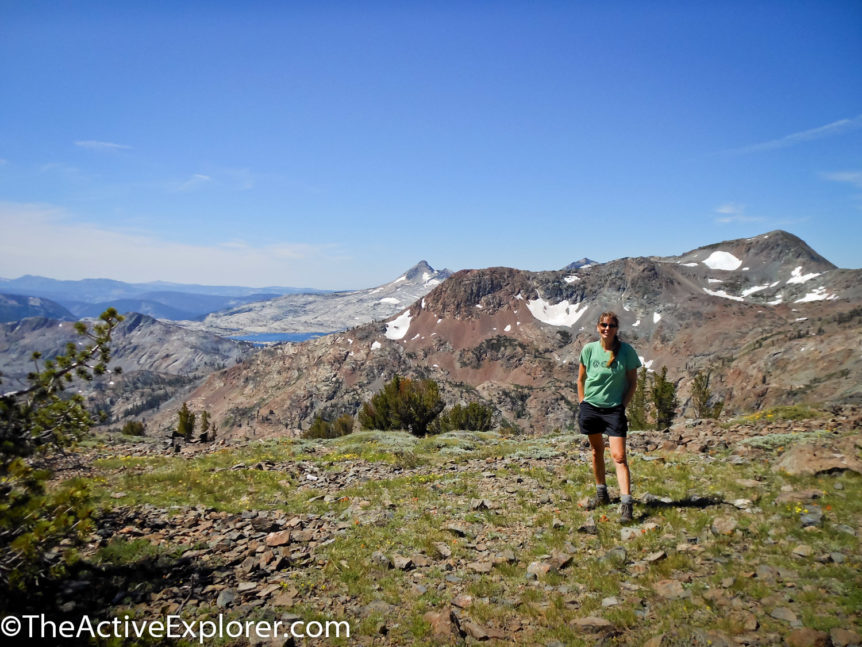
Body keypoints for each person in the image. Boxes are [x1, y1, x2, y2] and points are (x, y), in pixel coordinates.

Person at [577, 311, 642, 522]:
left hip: (614, 410)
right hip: (591, 408)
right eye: (603, 325)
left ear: (616, 329)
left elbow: (632, 382)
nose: (607, 328)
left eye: (611, 325)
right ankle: (602, 493)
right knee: (596, 451)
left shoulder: (627, 352)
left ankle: (626, 504)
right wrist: (582, 403)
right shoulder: (589, 350)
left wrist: (622, 406)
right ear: (598, 327)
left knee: (619, 457)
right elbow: (581, 379)